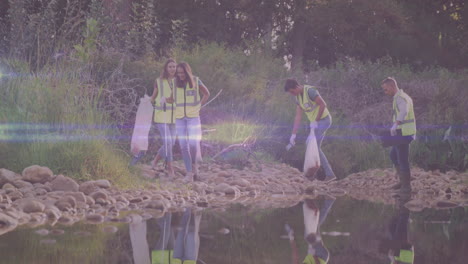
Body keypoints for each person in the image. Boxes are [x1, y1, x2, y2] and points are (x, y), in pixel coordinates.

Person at [284, 78, 336, 182]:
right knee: (315, 147)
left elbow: (323, 104)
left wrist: (316, 121)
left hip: (324, 120)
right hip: (315, 124)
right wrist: (293, 135)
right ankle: (325, 174)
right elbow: (298, 117)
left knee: (311, 145)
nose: (292, 94)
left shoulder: (310, 91)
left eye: (292, 91)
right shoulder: (298, 98)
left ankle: (317, 175)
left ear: (297, 87)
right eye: (291, 93)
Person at [174, 62, 210, 182]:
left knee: (194, 144)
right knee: (184, 146)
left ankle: (194, 166)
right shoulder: (174, 82)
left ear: (187, 72)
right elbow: (172, 98)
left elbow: (206, 93)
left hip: (193, 117)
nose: (180, 75)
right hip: (179, 118)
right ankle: (189, 173)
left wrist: (199, 105)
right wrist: (164, 100)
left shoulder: (196, 80)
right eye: (178, 73)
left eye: (182, 73)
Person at [381, 77, 416, 194]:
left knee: (402, 159)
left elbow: (404, 111)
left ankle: (406, 187)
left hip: (404, 133)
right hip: (402, 133)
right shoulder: (400, 97)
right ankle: (403, 181)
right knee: (393, 155)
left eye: (386, 89)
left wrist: (395, 124)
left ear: (392, 86)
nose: (385, 92)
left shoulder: (401, 98)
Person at [150, 59, 177, 177]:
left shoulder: (179, 81)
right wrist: (149, 103)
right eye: (170, 67)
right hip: (161, 116)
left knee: (171, 143)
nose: (172, 69)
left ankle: (155, 161)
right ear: (166, 68)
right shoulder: (159, 81)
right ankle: (171, 169)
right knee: (168, 142)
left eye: (174, 67)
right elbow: (153, 97)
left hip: (175, 117)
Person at [379, 194, 414, 264]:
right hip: (404, 254)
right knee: (401, 224)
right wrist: (393, 258)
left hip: (399, 253)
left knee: (391, 227)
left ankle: (400, 203)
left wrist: (391, 257)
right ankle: (405, 199)